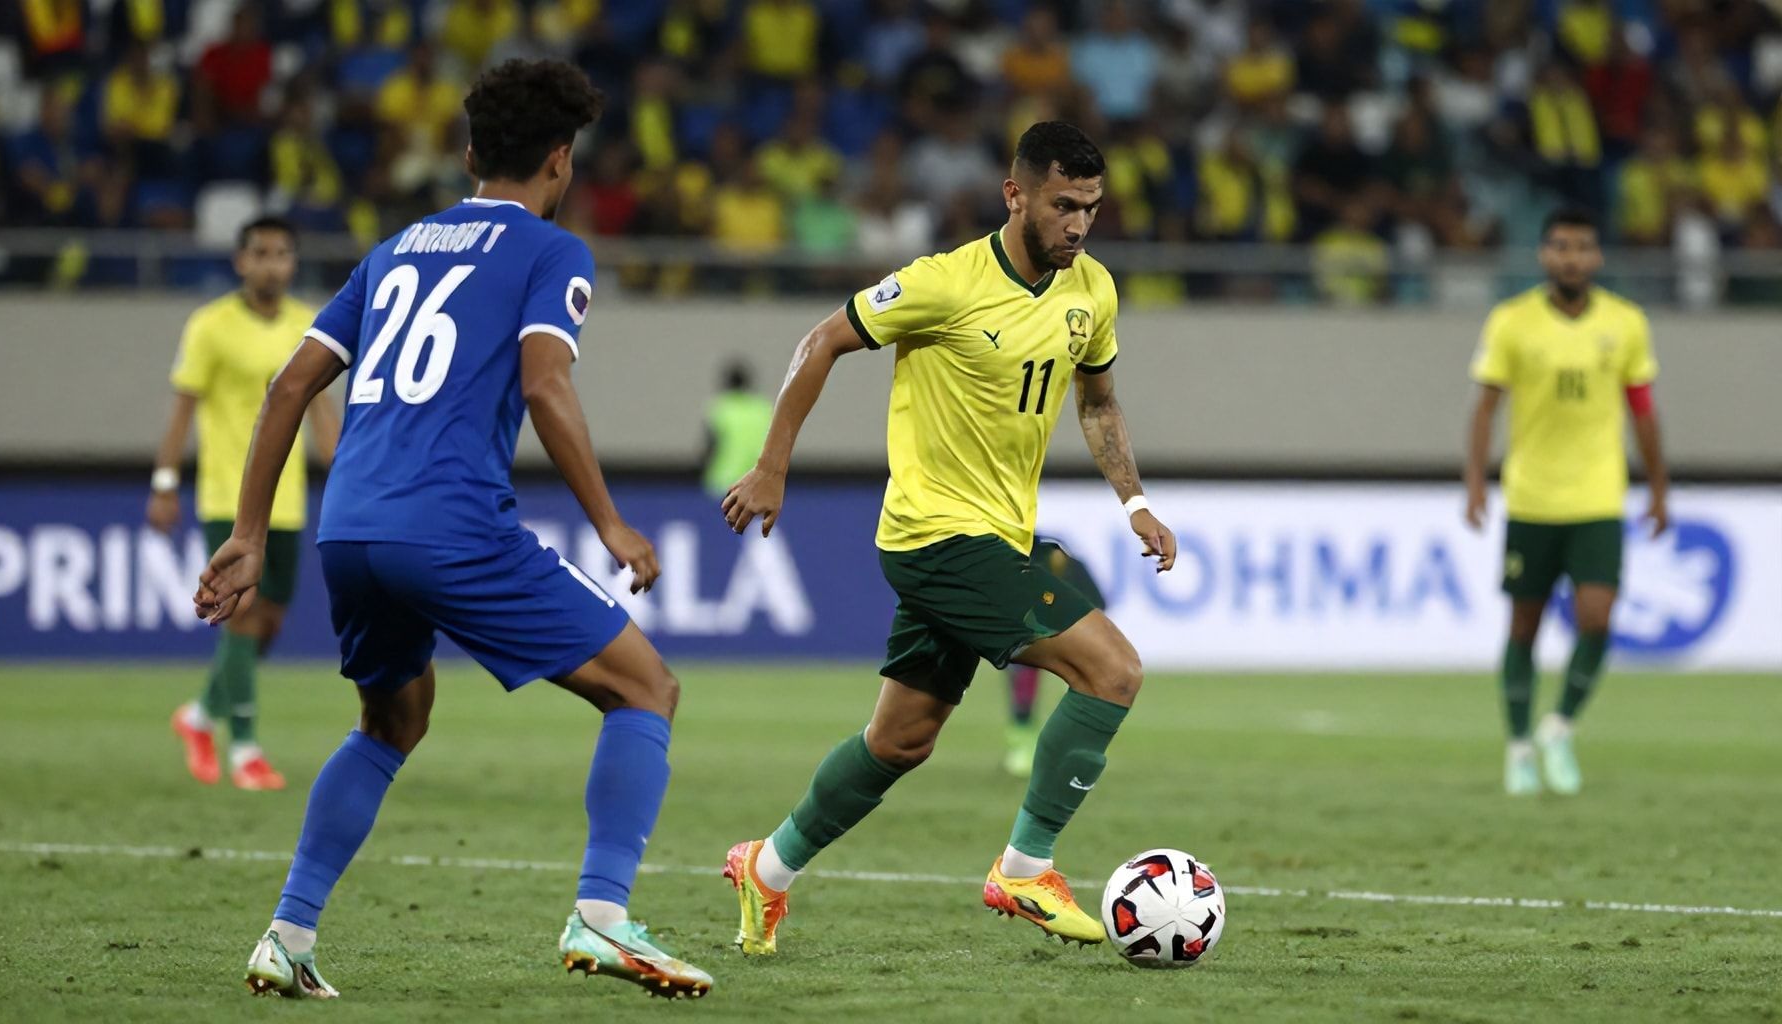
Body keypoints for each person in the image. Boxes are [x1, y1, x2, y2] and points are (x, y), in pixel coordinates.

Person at [192, 59, 714, 1001]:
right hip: (451, 525)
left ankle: (288, 934)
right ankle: (602, 917)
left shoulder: (392, 250)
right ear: (561, 161)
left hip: (348, 528)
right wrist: (611, 523)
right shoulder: (553, 253)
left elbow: (289, 387)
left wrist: (244, 529)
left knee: (394, 718)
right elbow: (548, 383)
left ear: (471, 153)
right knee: (647, 687)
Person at [719, 121, 1178, 954]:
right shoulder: (944, 283)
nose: (1078, 225)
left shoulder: (1093, 292)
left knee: (900, 740)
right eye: (1063, 205)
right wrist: (772, 466)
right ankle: (1025, 866)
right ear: (1016, 196)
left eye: (1091, 208)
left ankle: (767, 867)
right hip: (935, 534)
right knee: (1113, 670)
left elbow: (1099, 402)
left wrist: (1134, 502)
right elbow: (821, 340)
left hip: (999, 539)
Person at [1464, 207, 1669, 797]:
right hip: (1531, 496)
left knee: (1598, 618)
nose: (1571, 257)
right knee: (1524, 625)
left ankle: (1560, 727)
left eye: (1581, 247)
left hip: (1599, 495)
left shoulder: (1626, 322)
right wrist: (1477, 481)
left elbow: (1643, 410)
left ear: (1597, 256)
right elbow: (1485, 407)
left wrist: (1658, 488)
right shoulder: (1512, 322)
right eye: (1560, 246)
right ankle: (1520, 747)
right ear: (1544, 255)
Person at [154, 216, 339, 792]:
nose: (271, 264)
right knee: (242, 613)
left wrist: (347, 475)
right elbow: (184, 408)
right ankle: (246, 751)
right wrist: (164, 481)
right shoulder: (210, 326)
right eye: (260, 252)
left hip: (287, 502)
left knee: (270, 622)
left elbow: (321, 412)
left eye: (282, 253)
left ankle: (199, 716)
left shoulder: (309, 324)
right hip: (226, 501)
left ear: (293, 262)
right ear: (241, 261)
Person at [1003, 537, 1106, 778]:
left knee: (1082, 685)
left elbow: (1098, 602)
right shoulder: (1013, 558)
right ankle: (1024, 745)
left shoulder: (1058, 558)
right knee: (1024, 679)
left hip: (1065, 632)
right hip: (1030, 634)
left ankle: (1073, 746)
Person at [700, 360, 773, 498]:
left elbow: (710, 446)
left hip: (723, 482)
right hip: (757, 482)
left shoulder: (721, 407)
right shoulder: (762, 407)